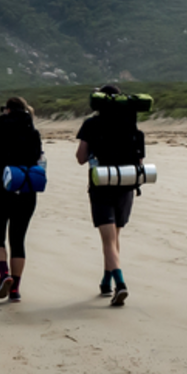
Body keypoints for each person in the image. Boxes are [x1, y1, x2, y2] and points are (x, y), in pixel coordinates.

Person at [75, 83, 145, 307]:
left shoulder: (92, 124)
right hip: (125, 184)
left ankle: (120, 283)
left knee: (107, 240)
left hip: (102, 185)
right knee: (115, 237)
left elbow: (80, 157)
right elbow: (139, 161)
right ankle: (106, 281)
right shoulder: (132, 127)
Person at [0, 96, 43, 303]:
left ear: (6, 111)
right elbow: (38, 159)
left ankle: (3, 273)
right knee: (18, 240)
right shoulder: (33, 133)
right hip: (25, 189)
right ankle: (15, 289)